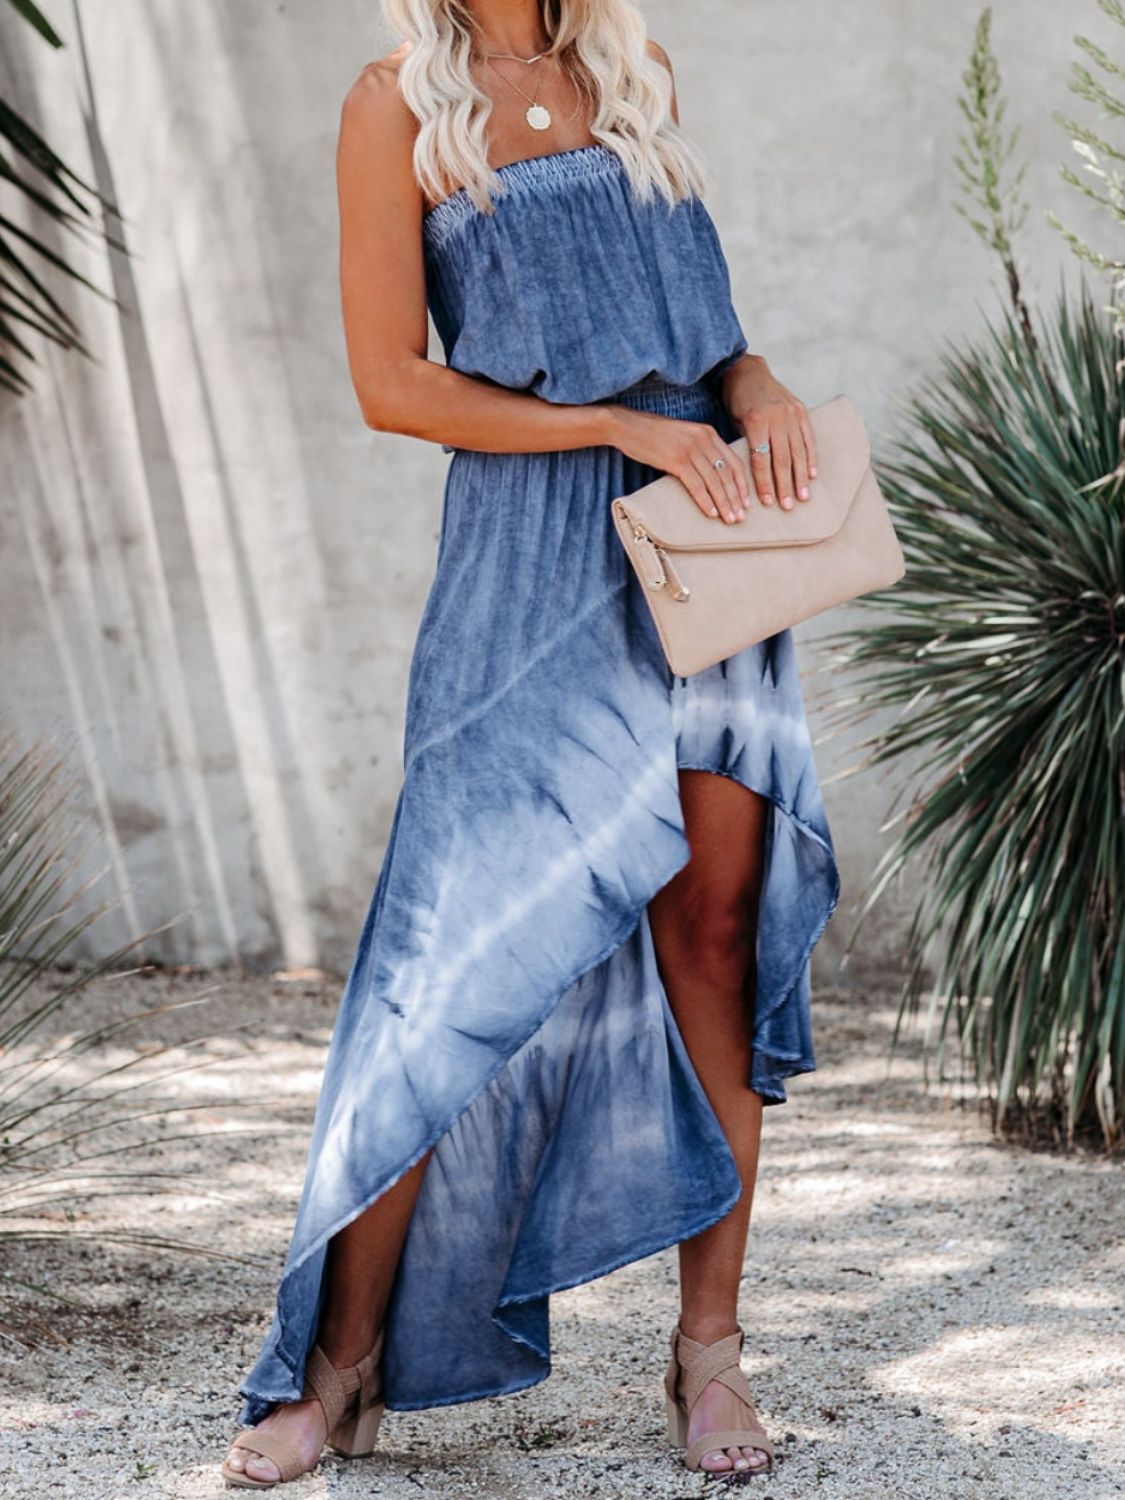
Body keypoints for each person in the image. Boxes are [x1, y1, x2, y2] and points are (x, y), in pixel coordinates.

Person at [222, 0, 839, 1487]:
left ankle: (707, 1356)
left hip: (706, 540)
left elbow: (709, 335)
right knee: (450, 962)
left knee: (709, 928)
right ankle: (343, 1364)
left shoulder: (634, 69)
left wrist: (757, 393)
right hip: (530, 562)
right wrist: (617, 431)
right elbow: (394, 383)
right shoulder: (393, 106)